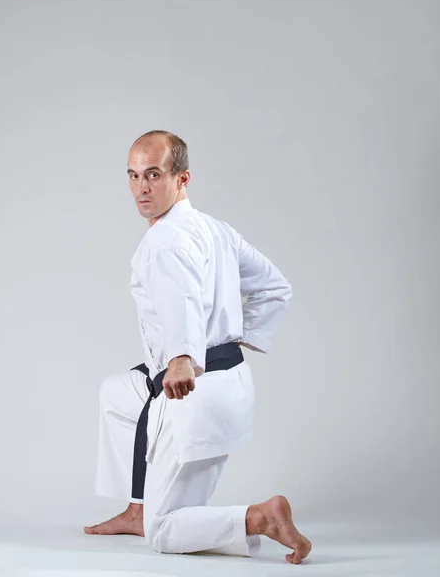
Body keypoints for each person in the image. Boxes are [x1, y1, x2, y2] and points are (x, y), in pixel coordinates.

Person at [84, 130, 311, 564]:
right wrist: (223, 341)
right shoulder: (215, 229)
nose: (141, 188)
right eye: (133, 176)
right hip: (230, 384)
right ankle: (138, 507)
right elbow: (276, 289)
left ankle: (260, 517)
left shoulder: (165, 240)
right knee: (117, 394)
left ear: (181, 178)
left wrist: (186, 357)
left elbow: (182, 298)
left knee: (165, 531)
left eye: (153, 175)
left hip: (190, 395)